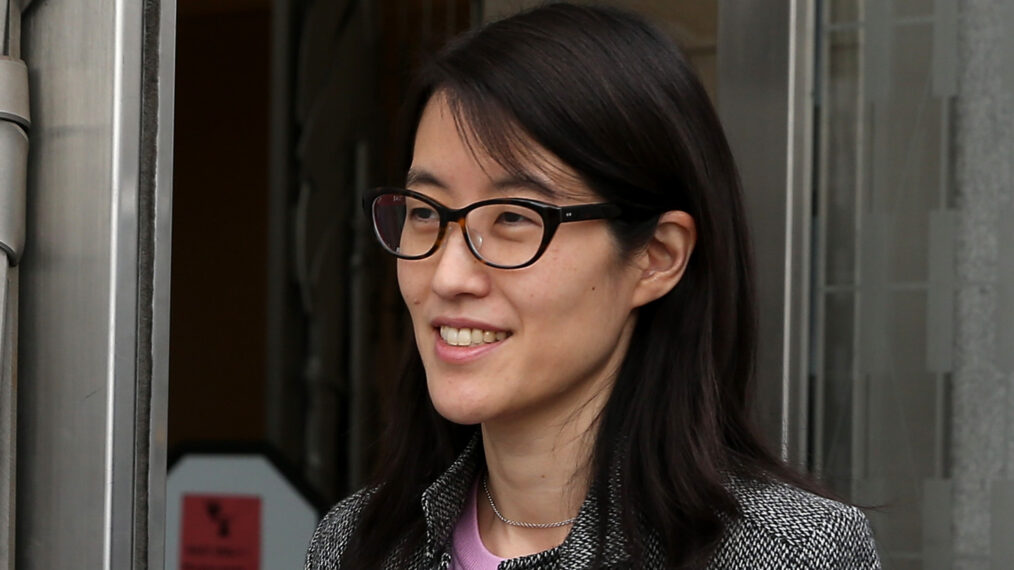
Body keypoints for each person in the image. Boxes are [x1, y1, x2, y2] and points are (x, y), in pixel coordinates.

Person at [305, 3, 880, 569]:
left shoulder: (787, 553)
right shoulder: (355, 545)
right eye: (426, 211)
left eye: (512, 218)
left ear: (657, 256)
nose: (448, 276)